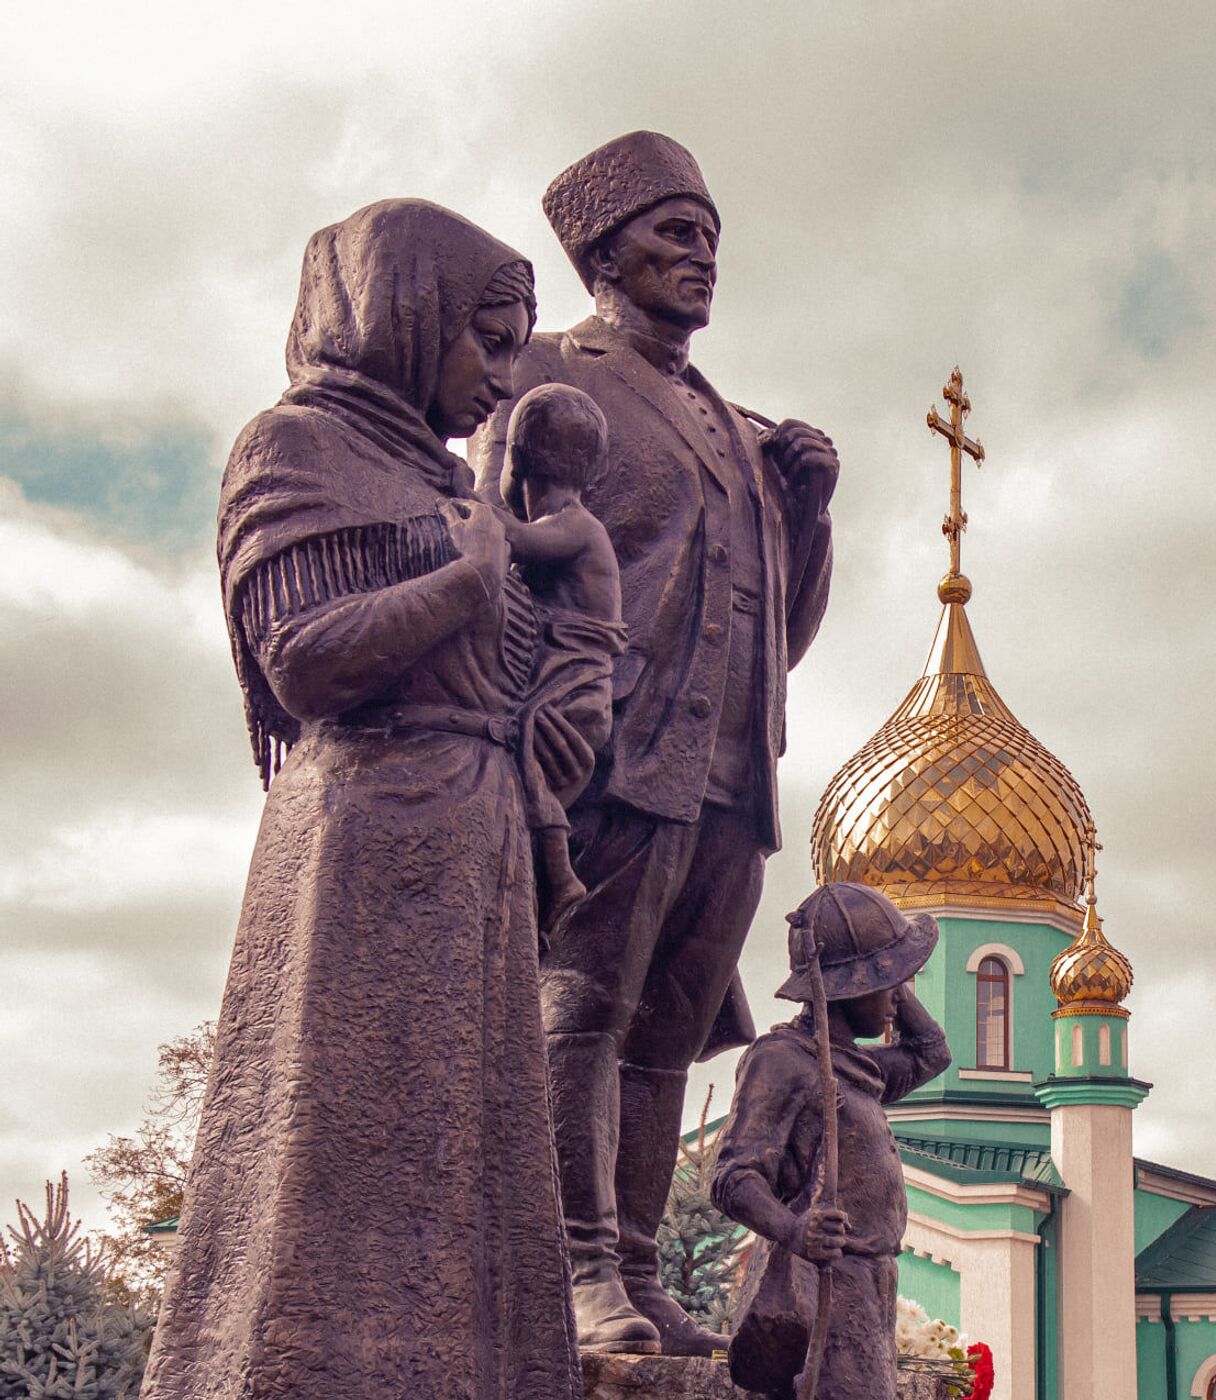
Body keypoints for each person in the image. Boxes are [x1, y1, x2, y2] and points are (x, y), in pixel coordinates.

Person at [141, 199, 598, 1400]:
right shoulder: (293, 448)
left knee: (462, 1149)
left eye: (515, 346)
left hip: (474, 829)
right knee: (334, 1137)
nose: (504, 377)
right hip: (362, 828)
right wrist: (467, 578)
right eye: (485, 340)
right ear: (404, 317)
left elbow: (520, 656)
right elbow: (304, 664)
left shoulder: (455, 480)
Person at [469, 129, 840, 1357]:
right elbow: (489, 548)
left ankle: (632, 1260)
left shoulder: (736, 422)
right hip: (609, 750)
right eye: (676, 233)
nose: (701, 258)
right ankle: (569, 1267)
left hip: (734, 772)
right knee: (581, 1009)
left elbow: (782, 624)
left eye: (712, 238)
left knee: (670, 1027)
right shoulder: (537, 369)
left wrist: (810, 510)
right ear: (602, 250)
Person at [711, 883, 952, 1400]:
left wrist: (889, 977)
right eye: (886, 982)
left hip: (870, 1286)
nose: (896, 995)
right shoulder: (784, 1060)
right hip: (823, 1285)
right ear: (848, 986)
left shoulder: (855, 1066)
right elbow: (733, 1176)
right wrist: (794, 1230)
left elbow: (931, 1054)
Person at [496, 383, 626, 933]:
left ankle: (558, 874)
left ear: (515, 460)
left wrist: (458, 505)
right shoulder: (569, 524)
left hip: (575, 689)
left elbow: (516, 541)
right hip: (566, 685)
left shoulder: (575, 526)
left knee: (522, 750)